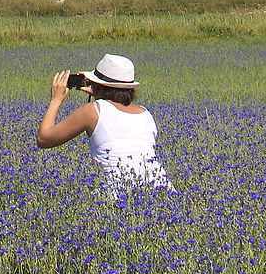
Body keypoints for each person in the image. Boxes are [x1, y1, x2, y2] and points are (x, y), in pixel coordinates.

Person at [36, 52, 172, 197]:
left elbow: (44, 139)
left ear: (97, 85)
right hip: (162, 192)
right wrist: (99, 94)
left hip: (118, 195)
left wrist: (56, 99)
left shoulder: (91, 111)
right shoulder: (145, 113)